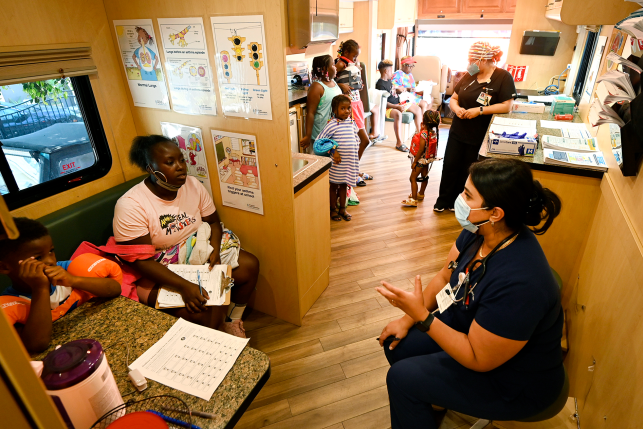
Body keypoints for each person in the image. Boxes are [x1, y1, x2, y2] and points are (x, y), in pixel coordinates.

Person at [376, 158, 564, 429]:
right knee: (398, 345)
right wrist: (407, 320)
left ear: (495, 212)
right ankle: (429, 402)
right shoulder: (480, 231)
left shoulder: (521, 284)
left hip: (514, 381)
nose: (460, 200)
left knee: (401, 378)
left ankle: (423, 396)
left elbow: (478, 357)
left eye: (467, 195)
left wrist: (421, 316)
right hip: (473, 328)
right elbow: (445, 276)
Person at [113, 135, 260, 338]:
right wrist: (184, 286)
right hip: (158, 268)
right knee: (206, 308)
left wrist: (215, 249)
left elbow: (213, 222)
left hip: (196, 252)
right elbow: (141, 262)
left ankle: (232, 321)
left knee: (249, 265)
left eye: (181, 160)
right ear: (150, 168)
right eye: (170, 162)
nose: (181, 167)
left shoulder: (193, 185)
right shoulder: (130, 205)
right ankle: (214, 340)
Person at [0, 218, 122, 353]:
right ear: (4, 267)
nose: (51, 261)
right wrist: (40, 288)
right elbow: (36, 345)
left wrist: (73, 280)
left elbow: (115, 289)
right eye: (38, 258)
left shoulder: (65, 270)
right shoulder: (9, 305)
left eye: (51, 251)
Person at [434, 41, 516, 212]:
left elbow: (507, 106)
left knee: (469, 169)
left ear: (483, 59)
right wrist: (456, 110)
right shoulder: (471, 73)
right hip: (458, 129)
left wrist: (479, 110)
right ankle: (443, 202)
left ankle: (461, 205)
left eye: (472, 60)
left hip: (480, 132)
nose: (469, 64)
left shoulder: (503, 77)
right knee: (450, 165)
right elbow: (454, 98)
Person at [335, 40, 373, 186]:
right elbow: (330, 78)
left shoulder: (352, 64)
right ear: (345, 53)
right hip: (348, 107)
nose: (356, 59)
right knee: (363, 140)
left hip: (356, 104)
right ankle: (352, 172)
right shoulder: (340, 63)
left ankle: (354, 170)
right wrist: (341, 85)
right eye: (354, 56)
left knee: (357, 142)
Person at [316, 95, 359, 222]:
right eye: (343, 108)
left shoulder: (352, 123)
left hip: (348, 163)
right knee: (334, 186)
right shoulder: (332, 124)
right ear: (335, 110)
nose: (347, 111)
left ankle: (342, 209)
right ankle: (333, 209)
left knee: (344, 186)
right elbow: (320, 141)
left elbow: (356, 138)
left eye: (349, 108)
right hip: (336, 164)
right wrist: (333, 151)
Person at [376, 59, 426, 152]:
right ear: (386, 71)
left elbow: (393, 91)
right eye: (391, 70)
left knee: (418, 109)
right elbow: (383, 102)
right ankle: (399, 143)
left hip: (398, 102)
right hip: (389, 107)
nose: (392, 72)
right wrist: (397, 107)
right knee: (398, 114)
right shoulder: (380, 84)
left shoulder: (389, 80)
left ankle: (420, 136)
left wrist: (399, 91)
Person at [299, 55, 342, 151]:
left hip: (334, 132)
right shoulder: (317, 87)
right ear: (324, 69)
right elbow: (310, 113)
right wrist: (307, 136)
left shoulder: (333, 82)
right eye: (333, 65)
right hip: (321, 136)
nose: (335, 68)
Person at [402, 110, 440, 207]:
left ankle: (413, 199)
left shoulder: (424, 134)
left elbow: (420, 150)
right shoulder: (433, 132)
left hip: (420, 160)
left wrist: (414, 162)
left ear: (425, 121)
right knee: (424, 177)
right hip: (428, 160)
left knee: (412, 178)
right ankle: (421, 194)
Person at [392, 56, 431, 120]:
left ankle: (425, 120)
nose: (411, 68)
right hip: (405, 98)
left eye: (412, 66)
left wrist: (422, 92)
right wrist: (408, 89)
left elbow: (413, 88)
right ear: (403, 65)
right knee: (424, 103)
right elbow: (396, 90)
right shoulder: (397, 74)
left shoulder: (410, 74)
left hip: (413, 95)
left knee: (430, 98)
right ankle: (424, 124)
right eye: (410, 66)